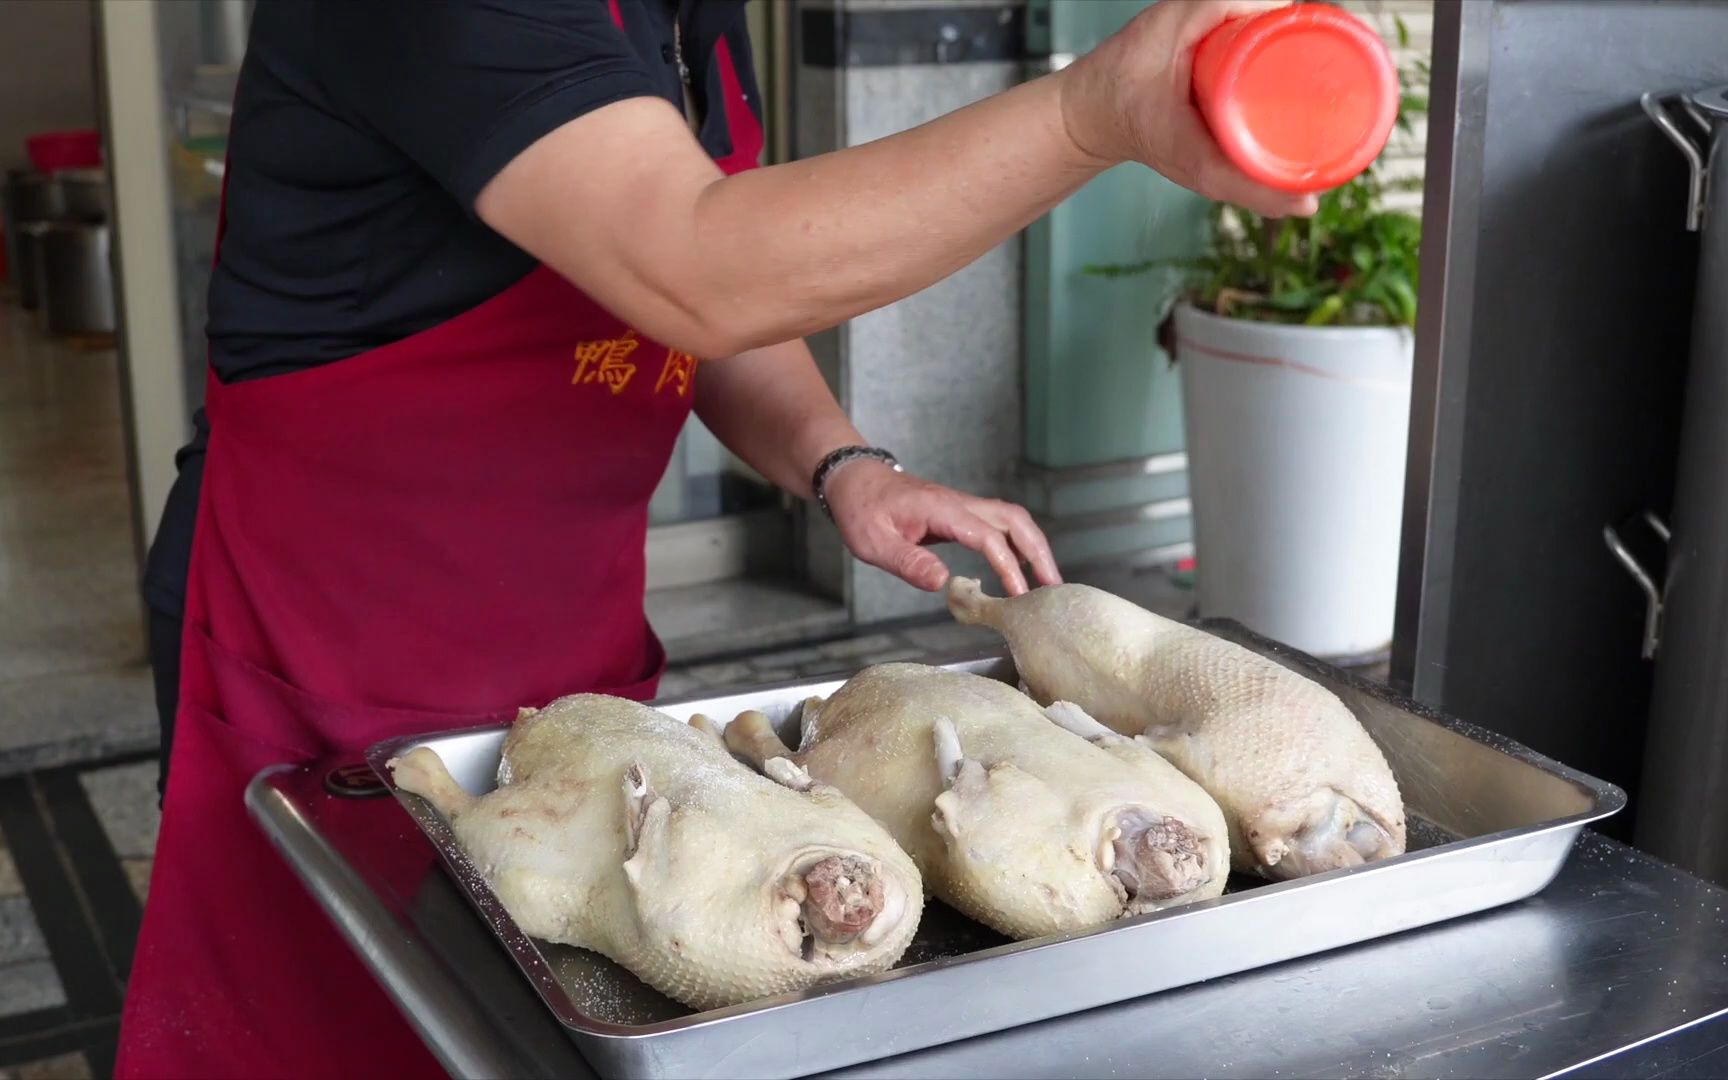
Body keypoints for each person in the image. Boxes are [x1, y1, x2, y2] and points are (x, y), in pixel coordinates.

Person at [118, 0, 1318, 1075]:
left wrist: (840, 462)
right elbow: (692, 262)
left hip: (567, 650)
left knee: (553, 1013)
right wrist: (1090, 111)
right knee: (338, 1025)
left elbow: (689, 293)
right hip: (327, 636)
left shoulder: (681, 16)